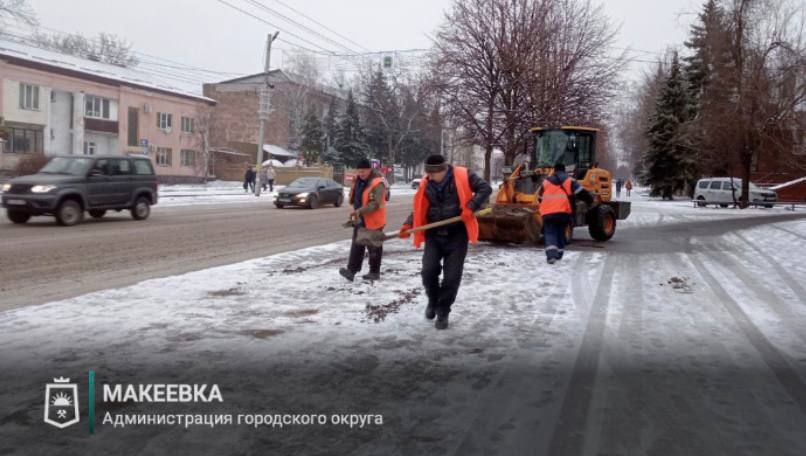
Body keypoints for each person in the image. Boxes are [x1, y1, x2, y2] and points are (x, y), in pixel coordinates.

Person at [399, 154, 492, 330]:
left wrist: (470, 207)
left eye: (433, 173)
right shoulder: (427, 183)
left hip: (457, 233)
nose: (429, 177)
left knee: (452, 277)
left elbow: (485, 188)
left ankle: (443, 311)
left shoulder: (463, 175)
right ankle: (433, 302)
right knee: (428, 271)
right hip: (434, 233)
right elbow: (419, 207)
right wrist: (408, 224)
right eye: (428, 173)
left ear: (443, 170)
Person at [339, 158, 387, 282]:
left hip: (373, 220)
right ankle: (351, 271)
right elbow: (356, 197)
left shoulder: (377, 183)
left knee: (373, 247)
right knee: (357, 245)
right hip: (360, 218)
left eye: (364, 171)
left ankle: (374, 272)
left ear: (370, 169)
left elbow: (374, 204)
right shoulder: (358, 180)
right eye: (359, 171)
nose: (361, 173)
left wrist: (359, 211)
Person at [538, 162, 593, 265]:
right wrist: (590, 201)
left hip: (547, 212)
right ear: (564, 170)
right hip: (563, 212)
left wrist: (546, 205)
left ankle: (551, 256)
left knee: (550, 233)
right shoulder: (570, 180)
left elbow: (539, 198)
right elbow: (581, 193)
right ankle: (559, 254)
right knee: (561, 232)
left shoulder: (546, 182)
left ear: (554, 170)